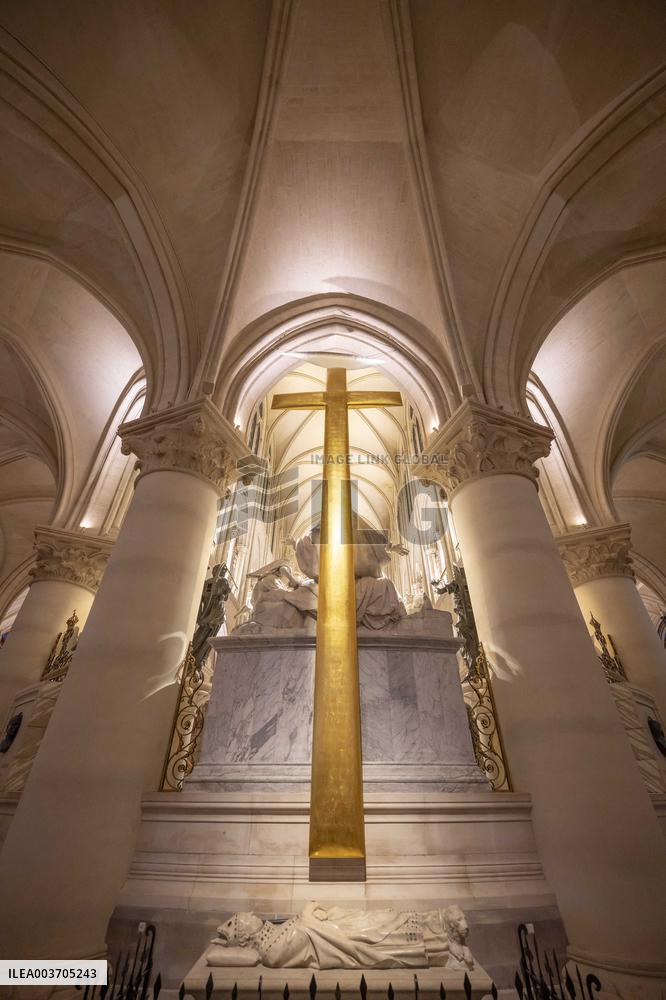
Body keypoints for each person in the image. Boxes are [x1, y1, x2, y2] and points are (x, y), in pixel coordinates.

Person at [204, 901, 477, 970]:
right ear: (243, 936)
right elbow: (308, 932)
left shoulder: (272, 933)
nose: (248, 913)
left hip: (336, 925)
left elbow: (307, 924)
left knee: (383, 916)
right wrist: (309, 911)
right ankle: (440, 946)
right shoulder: (270, 951)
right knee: (378, 932)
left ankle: (437, 922)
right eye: (239, 920)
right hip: (341, 940)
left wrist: (314, 912)